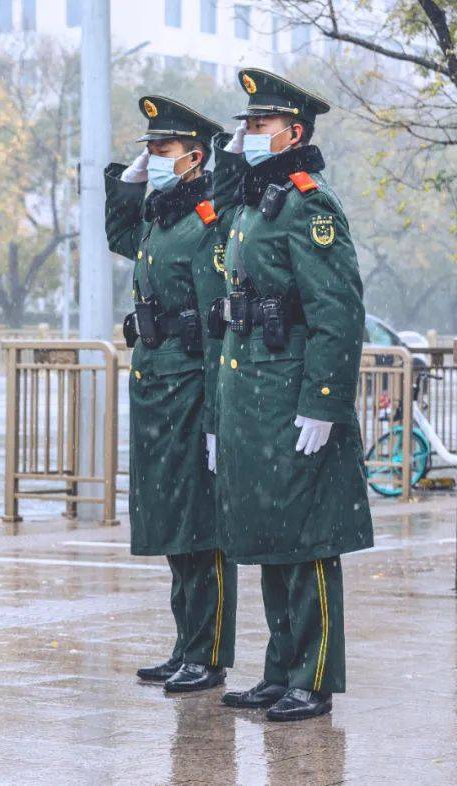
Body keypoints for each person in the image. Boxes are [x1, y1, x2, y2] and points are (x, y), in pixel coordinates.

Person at [209, 69, 373, 721]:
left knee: (307, 542)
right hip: (254, 397)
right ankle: (280, 671)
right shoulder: (258, 201)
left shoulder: (309, 203)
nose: (247, 134)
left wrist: (323, 401)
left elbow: (339, 311)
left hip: (296, 395)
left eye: (259, 125)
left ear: (294, 132)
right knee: (271, 536)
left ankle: (315, 676)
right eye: (245, 124)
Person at [105, 96, 236, 693]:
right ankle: (184, 644)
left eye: (163, 149)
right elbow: (118, 235)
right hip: (156, 385)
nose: (153, 157)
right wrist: (129, 181)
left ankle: (207, 654)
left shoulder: (207, 222)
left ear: (195, 157)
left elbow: (217, 331)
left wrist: (215, 415)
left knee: (199, 527)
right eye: (149, 149)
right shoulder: (161, 217)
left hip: (188, 387)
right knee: (170, 525)